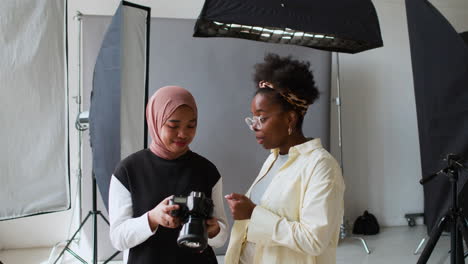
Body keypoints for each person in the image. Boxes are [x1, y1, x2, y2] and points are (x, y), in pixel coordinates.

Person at [224, 54, 345, 264]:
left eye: (262, 117)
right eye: (253, 118)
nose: (254, 126)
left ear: (290, 118)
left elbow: (314, 239)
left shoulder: (321, 166)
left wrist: (253, 214)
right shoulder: (274, 159)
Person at [109, 86, 228, 264]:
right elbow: (118, 238)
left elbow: (221, 238)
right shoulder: (128, 171)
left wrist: (213, 230)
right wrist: (152, 218)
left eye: (191, 125)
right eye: (173, 126)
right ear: (156, 121)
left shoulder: (207, 170)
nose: (183, 134)